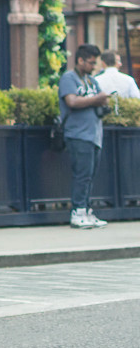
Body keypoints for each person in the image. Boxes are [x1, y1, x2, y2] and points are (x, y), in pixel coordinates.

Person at [58, 43, 110, 229]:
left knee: (89, 175)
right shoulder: (69, 78)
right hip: (78, 134)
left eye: (95, 63)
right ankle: (78, 212)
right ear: (80, 60)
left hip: (94, 135)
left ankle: (86, 211)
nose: (93, 66)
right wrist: (97, 99)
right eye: (90, 62)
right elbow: (71, 101)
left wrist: (103, 105)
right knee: (82, 175)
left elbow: (95, 102)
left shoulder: (91, 80)